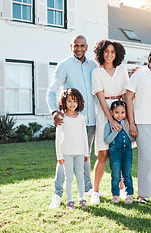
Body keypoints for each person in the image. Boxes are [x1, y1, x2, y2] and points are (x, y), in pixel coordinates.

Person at [46, 35, 96, 209]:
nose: (79, 48)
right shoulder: (64, 65)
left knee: (84, 157)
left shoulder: (93, 66)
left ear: (87, 47)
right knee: (64, 160)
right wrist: (54, 111)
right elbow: (51, 92)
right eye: (76, 45)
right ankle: (57, 194)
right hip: (69, 121)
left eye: (82, 45)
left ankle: (87, 191)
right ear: (71, 46)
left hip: (89, 121)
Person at [124, 46, 151, 204]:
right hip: (143, 123)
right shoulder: (139, 74)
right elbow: (128, 97)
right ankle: (143, 195)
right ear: (149, 57)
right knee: (146, 160)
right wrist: (131, 122)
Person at [91, 39, 129, 205]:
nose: (109, 54)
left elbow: (126, 95)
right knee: (103, 153)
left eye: (112, 52)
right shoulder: (96, 72)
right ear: (101, 53)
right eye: (106, 51)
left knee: (119, 152)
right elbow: (100, 98)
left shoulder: (122, 70)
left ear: (117, 54)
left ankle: (120, 189)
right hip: (104, 114)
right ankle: (95, 192)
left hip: (120, 112)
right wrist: (110, 120)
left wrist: (124, 118)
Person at [55, 88, 89, 210]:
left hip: (80, 152)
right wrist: (59, 155)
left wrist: (87, 153)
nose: (72, 104)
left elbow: (84, 135)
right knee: (68, 177)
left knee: (80, 175)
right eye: (69, 101)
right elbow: (58, 138)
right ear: (64, 102)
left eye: (74, 101)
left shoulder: (81, 117)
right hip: (66, 152)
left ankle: (82, 198)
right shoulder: (61, 117)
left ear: (79, 102)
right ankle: (70, 200)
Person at [104, 100, 135, 204]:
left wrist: (125, 128)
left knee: (127, 174)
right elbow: (106, 140)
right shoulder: (108, 125)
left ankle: (129, 195)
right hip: (115, 153)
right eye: (116, 112)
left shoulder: (127, 124)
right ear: (111, 112)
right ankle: (115, 195)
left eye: (122, 112)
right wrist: (116, 131)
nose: (119, 115)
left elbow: (132, 138)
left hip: (127, 153)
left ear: (125, 113)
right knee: (116, 175)